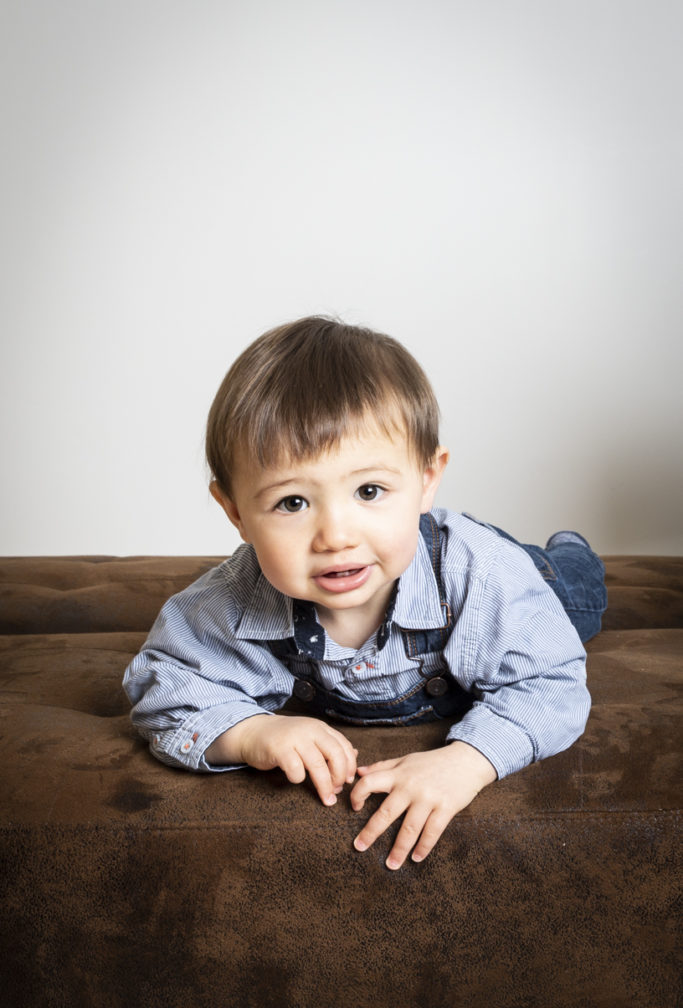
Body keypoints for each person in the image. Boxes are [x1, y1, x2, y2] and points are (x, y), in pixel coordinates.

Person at [123, 316, 607, 870]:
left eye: (369, 491)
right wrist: (250, 731)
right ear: (235, 512)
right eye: (293, 503)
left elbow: (553, 682)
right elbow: (161, 685)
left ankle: (570, 551)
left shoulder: (483, 575)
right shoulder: (231, 603)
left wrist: (468, 761)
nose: (336, 536)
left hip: (529, 578)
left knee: (576, 593)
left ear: (427, 480)